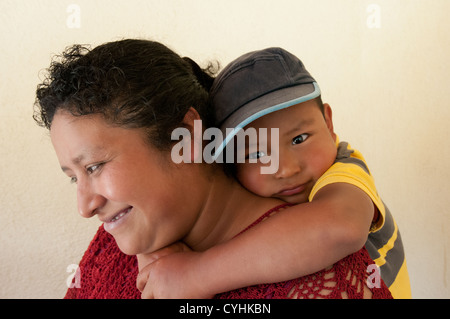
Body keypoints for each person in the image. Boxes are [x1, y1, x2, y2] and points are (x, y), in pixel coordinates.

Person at [34, 39, 392, 299]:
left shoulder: (325, 269)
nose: (85, 207)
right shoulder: (127, 237)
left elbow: (338, 227)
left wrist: (194, 275)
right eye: (72, 178)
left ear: (188, 135)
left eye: (95, 167)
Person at [136, 48, 411, 299]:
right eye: (255, 154)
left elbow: (341, 228)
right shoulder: (241, 188)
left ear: (328, 123)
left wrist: (196, 275)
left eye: (300, 139)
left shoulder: (344, 169)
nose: (286, 168)